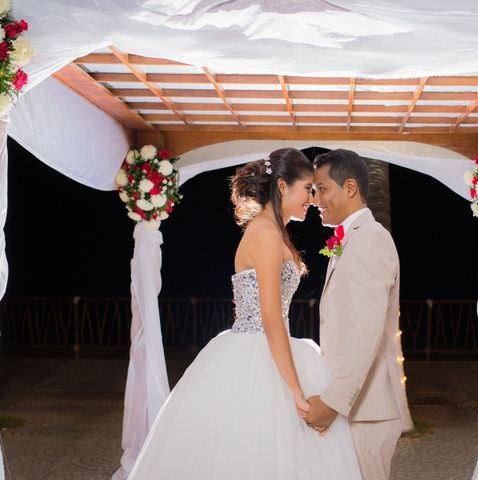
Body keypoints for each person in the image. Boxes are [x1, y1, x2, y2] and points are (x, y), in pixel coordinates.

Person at [128, 148, 361, 480]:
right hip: (257, 349)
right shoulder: (265, 233)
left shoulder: (275, 231)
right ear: (282, 186)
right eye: (307, 188)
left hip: (274, 347)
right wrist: (296, 392)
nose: (311, 197)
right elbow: (270, 319)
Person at [305, 149, 408, 480]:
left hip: (368, 410)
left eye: (321, 188)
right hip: (355, 407)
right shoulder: (350, 240)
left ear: (349, 187)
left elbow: (366, 330)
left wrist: (332, 402)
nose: (315, 198)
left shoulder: (371, 240)